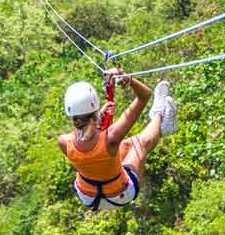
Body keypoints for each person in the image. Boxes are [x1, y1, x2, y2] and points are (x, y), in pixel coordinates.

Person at [58, 68, 177, 210]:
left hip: (88, 197)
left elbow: (89, 145)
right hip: (120, 194)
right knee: (139, 144)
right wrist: (126, 78)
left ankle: (159, 126)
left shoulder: (64, 141)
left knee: (125, 145)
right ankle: (160, 115)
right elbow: (145, 95)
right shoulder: (111, 137)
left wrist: (99, 118)